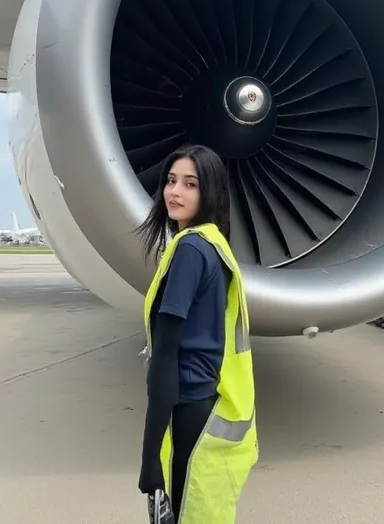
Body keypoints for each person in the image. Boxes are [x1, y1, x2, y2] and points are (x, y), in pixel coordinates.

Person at [136, 144, 258, 524]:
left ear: (210, 193)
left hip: (187, 405)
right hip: (210, 400)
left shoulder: (189, 250)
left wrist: (149, 458)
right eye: (171, 181)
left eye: (190, 184)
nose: (174, 192)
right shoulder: (215, 245)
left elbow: (168, 354)